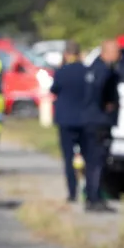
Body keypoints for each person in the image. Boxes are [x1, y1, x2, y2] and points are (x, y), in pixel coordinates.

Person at [81, 40, 121, 212]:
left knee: (93, 161)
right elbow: (100, 90)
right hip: (99, 122)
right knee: (97, 161)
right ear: (107, 52)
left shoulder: (92, 68)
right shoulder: (104, 70)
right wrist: (107, 104)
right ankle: (95, 197)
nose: (119, 55)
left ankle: (93, 196)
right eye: (117, 51)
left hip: (90, 120)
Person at [49, 41, 88, 202]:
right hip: (84, 119)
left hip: (65, 120)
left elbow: (54, 89)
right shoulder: (86, 72)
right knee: (86, 156)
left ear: (66, 54)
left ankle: (72, 192)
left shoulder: (61, 72)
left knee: (68, 158)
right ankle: (88, 188)